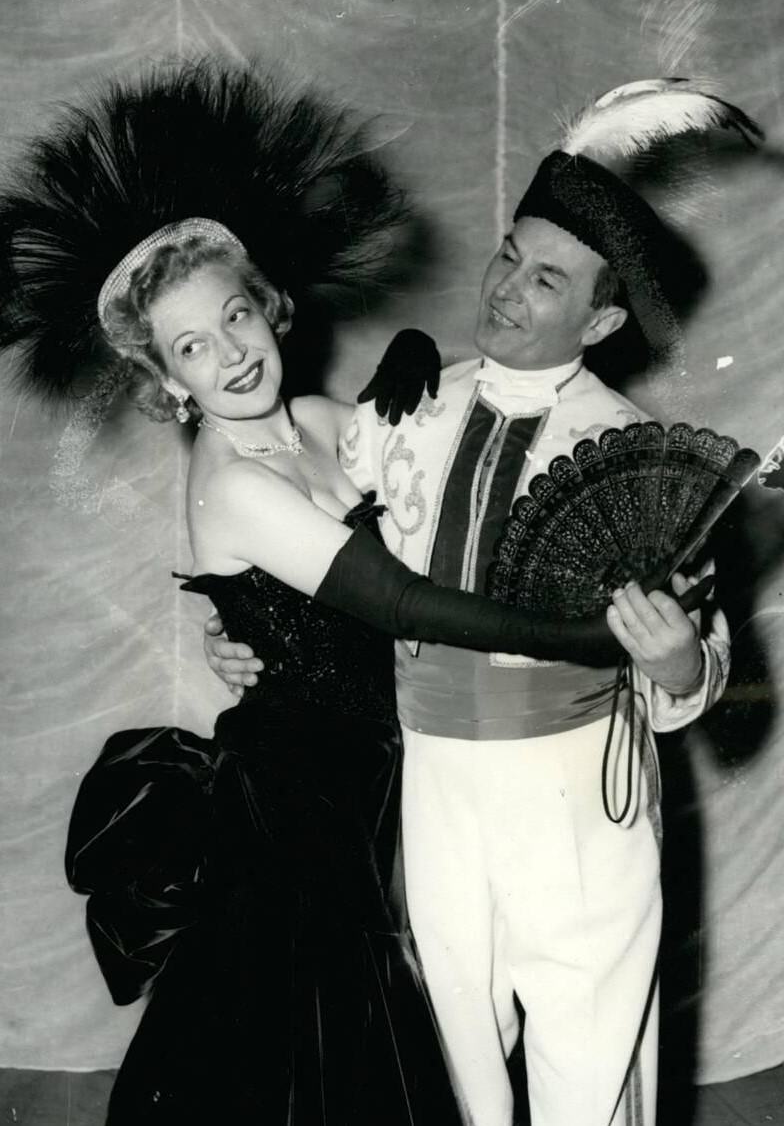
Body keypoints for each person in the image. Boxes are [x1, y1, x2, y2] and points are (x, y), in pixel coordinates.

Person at [0, 61, 680, 1126]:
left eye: (234, 318)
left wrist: (408, 355)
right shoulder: (231, 481)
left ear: (267, 306)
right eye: (191, 348)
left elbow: (398, 457)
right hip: (304, 795)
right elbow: (403, 602)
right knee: (321, 1053)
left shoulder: (315, 418)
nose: (226, 355)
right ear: (166, 384)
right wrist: (586, 637)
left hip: (395, 768)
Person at [208, 80, 759, 1126]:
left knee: (588, 1070)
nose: (506, 288)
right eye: (509, 253)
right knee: (452, 1070)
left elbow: (706, 667)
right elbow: (306, 549)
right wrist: (239, 634)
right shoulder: (410, 409)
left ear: (600, 318)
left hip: (576, 810)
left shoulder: (635, 459)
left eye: (546, 279)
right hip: (436, 794)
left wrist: (680, 661)